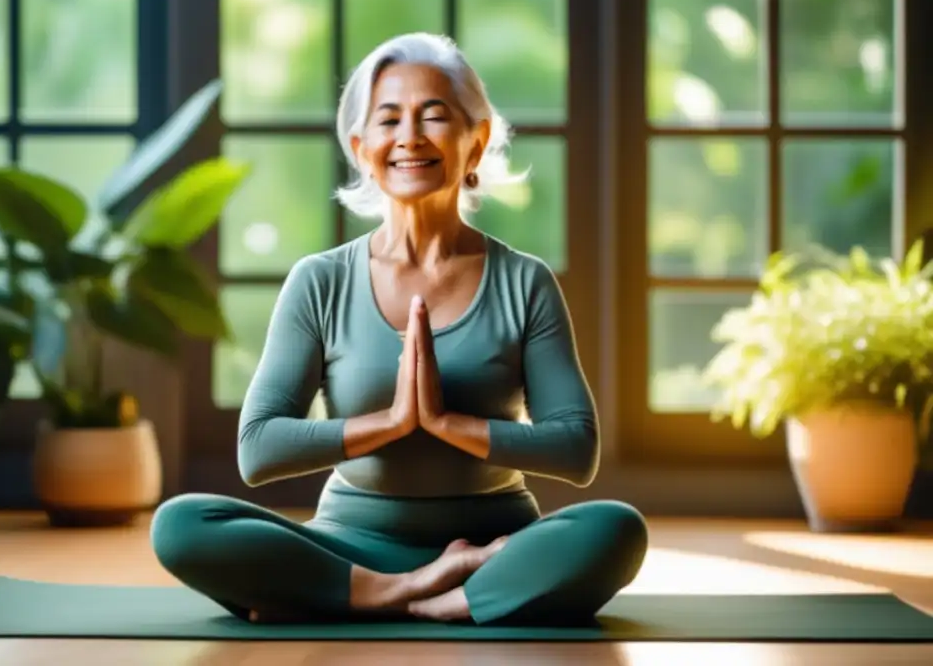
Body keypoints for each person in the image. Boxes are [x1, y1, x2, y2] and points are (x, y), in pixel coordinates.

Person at [151, 32, 648, 626]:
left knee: (616, 528)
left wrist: (446, 424)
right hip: (351, 547)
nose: (409, 137)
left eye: (434, 116)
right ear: (362, 148)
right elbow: (257, 449)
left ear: (477, 140)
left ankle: (405, 594)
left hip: (496, 548)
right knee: (182, 525)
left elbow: (576, 449)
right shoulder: (320, 281)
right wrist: (389, 424)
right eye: (389, 120)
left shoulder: (525, 281)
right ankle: (418, 593)